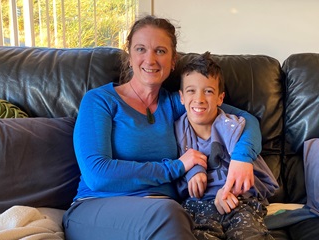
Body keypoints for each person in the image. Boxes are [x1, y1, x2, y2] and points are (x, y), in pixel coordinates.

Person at [62, 15, 262, 240]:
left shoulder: (178, 103)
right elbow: (98, 174)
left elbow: (247, 119)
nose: (150, 59)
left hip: (166, 212)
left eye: (160, 51)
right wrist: (175, 167)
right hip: (98, 207)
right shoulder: (100, 101)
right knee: (171, 215)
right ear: (129, 56)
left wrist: (241, 158)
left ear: (173, 60)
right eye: (140, 49)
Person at [174, 51, 279, 239]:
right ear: (181, 97)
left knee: (249, 235)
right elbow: (174, 170)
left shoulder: (232, 126)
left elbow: (251, 177)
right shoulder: (176, 130)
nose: (199, 99)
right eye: (191, 90)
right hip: (197, 205)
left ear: (220, 98)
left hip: (238, 202)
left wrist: (228, 190)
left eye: (208, 91)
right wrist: (192, 171)